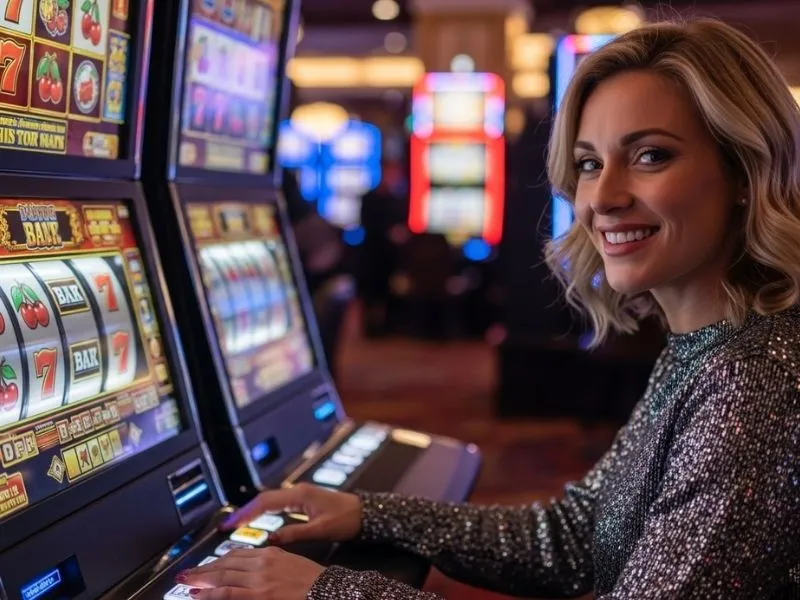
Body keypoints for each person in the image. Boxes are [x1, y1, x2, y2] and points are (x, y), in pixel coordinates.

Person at [176, 18, 800, 599]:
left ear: (746, 171)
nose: (602, 197)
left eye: (650, 156)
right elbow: (576, 534)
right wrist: (371, 513)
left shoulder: (755, 376)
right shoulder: (707, 344)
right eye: (589, 163)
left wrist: (330, 591)